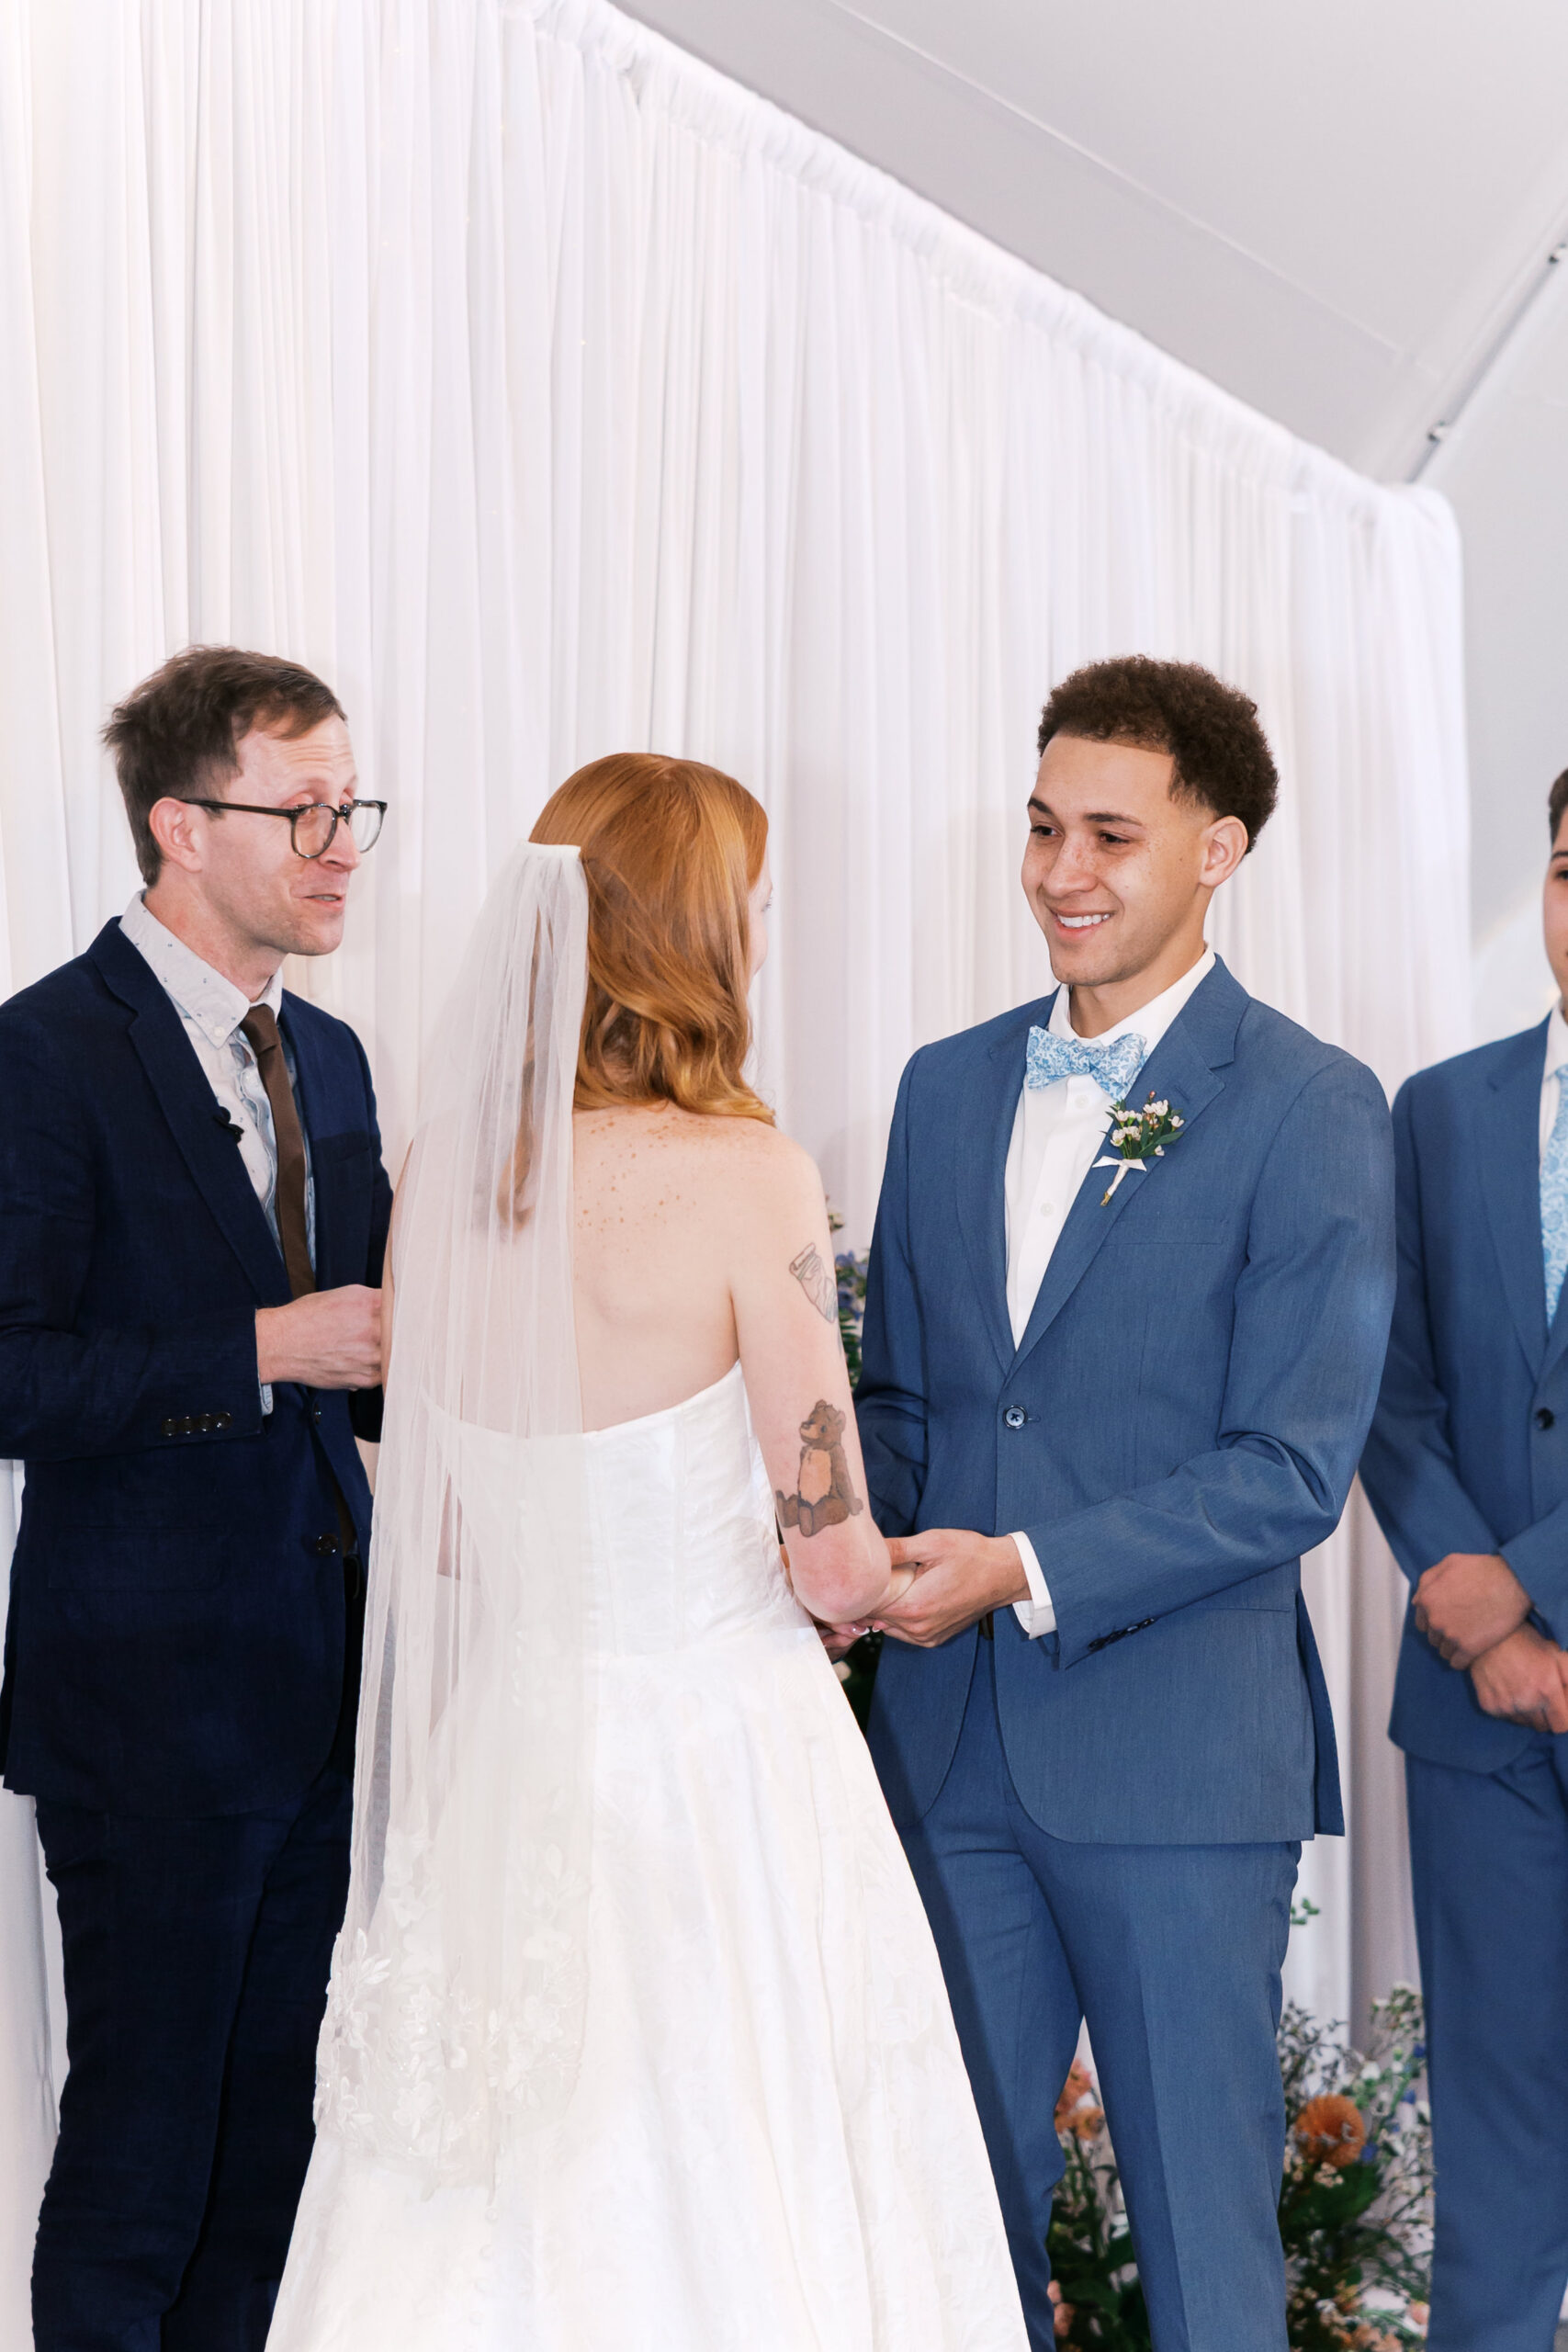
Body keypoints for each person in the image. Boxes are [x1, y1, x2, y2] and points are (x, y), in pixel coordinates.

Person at [267, 755, 1028, 2350]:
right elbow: (830, 1563)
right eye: (748, 905)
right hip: (720, 1760)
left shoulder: (449, 1187)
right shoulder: (752, 1177)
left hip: (514, 1750)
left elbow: (447, 1529)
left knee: (491, 2195)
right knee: (745, 2164)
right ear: (696, 934)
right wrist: (916, 1582)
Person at [850, 657, 1397, 2352]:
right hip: (945, 1756)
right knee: (935, 2230)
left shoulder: (1311, 1104)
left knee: (1207, 2249)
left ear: (1220, 849)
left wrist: (1021, 1564)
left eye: (1111, 835)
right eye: (1040, 829)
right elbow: (904, 1401)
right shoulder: (943, 1085)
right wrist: (840, 1539)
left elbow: (1293, 1467)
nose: (1062, 874)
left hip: (1177, 1765)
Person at [0, 646, 392, 2350]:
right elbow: (11, 1376)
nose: (338, 844)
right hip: (149, 1714)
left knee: (275, 2178)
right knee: (138, 2170)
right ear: (178, 825)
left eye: (350, 807)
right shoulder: (44, 1056)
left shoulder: (344, 1061)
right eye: (299, 809)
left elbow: (365, 1359)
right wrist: (258, 1345)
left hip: (326, 1707)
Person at [1360, 765, 1568, 2352]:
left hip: (1518, 1631)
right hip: (1473, 1720)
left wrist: (1537, 1583)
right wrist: (1480, 1613)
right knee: (1492, 2137)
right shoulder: (1437, 1110)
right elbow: (1390, 1384)